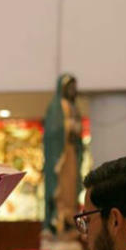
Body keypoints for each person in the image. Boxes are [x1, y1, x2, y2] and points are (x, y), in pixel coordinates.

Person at [43, 74, 83, 239]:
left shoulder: (74, 108)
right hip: (60, 156)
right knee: (59, 189)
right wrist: (68, 127)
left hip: (72, 154)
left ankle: (68, 222)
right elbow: (52, 133)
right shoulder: (57, 108)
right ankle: (56, 221)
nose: (73, 91)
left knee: (71, 190)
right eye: (70, 87)